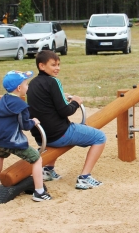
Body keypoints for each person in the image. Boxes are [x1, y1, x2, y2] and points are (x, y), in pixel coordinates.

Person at [27, 50, 107, 190]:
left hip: (42, 137)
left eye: (58, 64)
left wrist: (61, 96)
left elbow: (45, 102)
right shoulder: (53, 81)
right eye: (53, 65)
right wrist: (76, 102)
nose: (57, 68)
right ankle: (85, 178)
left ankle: (48, 170)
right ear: (42, 66)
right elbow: (65, 111)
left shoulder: (32, 84)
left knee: (54, 125)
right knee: (100, 137)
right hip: (60, 135)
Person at [0, 70, 52, 202]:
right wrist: (33, 122)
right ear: (19, 88)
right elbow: (25, 125)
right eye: (26, 84)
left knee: (0, 155)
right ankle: (39, 192)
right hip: (11, 141)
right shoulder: (21, 105)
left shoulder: (3, 99)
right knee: (36, 159)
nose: (27, 86)